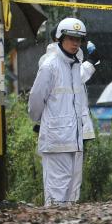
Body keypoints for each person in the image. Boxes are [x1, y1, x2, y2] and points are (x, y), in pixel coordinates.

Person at [27, 17, 94, 205]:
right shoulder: (50, 66)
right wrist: (44, 122)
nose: (75, 43)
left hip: (74, 140)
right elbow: (35, 100)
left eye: (78, 39)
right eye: (71, 38)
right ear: (60, 38)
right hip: (56, 140)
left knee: (72, 194)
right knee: (57, 194)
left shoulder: (75, 66)